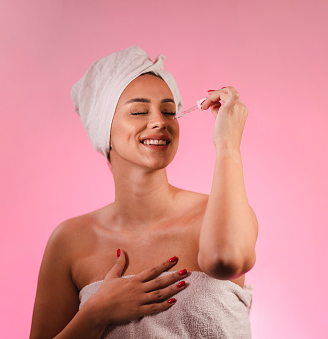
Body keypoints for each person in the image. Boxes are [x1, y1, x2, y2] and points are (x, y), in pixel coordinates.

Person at [30, 45, 258, 339]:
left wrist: (227, 144)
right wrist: (96, 313)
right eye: (139, 111)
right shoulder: (69, 242)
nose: (159, 122)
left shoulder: (218, 212)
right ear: (104, 127)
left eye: (168, 111)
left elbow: (227, 259)